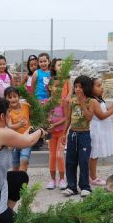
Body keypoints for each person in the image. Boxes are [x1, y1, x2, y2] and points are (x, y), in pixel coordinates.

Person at [61, 75, 95, 197]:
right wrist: (64, 133)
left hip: (84, 135)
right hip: (73, 134)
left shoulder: (92, 101)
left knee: (83, 161)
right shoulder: (72, 101)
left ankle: (85, 187)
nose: (77, 89)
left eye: (80, 87)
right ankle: (71, 186)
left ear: (86, 88)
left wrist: (82, 103)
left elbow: (89, 117)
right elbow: (68, 118)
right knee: (70, 161)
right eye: (75, 87)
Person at [89, 77, 113, 186]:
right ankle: (92, 177)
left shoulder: (98, 99)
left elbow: (104, 111)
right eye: (98, 86)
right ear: (90, 88)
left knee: (94, 154)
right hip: (95, 130)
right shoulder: (93, 100)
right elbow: (101, 116)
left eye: (101, 85)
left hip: (100, 129)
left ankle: (91, 176)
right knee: (93, 154)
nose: (101, 87)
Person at [45, 58, 71, 190]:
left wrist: (60, 128)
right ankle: (52, 180)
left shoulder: (64, 102)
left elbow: (67, 118)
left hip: (61, 132)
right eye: (55, 86)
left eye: (60, 86)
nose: (58, 88)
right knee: (52, 156)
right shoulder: (47, 103)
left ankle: (62, 179)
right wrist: (47, 125)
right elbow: (44, 117)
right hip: (51, 134)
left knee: (60, 155)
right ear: (50, 87)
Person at [5, 86, 33, 172]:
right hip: (14, 141)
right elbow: (9, 126)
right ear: (5, 99)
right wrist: (19, 125)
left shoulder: (26, 106)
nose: (13, 99)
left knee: (24, 161)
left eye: (15, 96)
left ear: (19, 97)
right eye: (9, 97)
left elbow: (34, 114)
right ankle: (16, 184)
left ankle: (23, 185)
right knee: (15, 166)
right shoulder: (8, 112)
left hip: (26, 139)